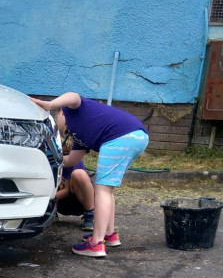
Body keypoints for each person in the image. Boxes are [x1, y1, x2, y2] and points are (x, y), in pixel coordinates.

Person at [30, 92, 149, 257]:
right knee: (107, 189)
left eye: (56, 119)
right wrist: (46, 158)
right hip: (135, 136)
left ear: (61, 113)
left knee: (102, 189)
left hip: (120, 135)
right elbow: (71, 160)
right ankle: (109, 235)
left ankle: (96, 243)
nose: (58, 126)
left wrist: (51, 105)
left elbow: (73, 96)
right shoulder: (79, 135)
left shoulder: (71, 110)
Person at [55, 134, 95, 231]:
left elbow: (66, 191)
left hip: (78, 201)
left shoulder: (71, 160)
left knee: (79, 174)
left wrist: (47, 199)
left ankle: (90, 214)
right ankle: (49, 214)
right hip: (61, 205)